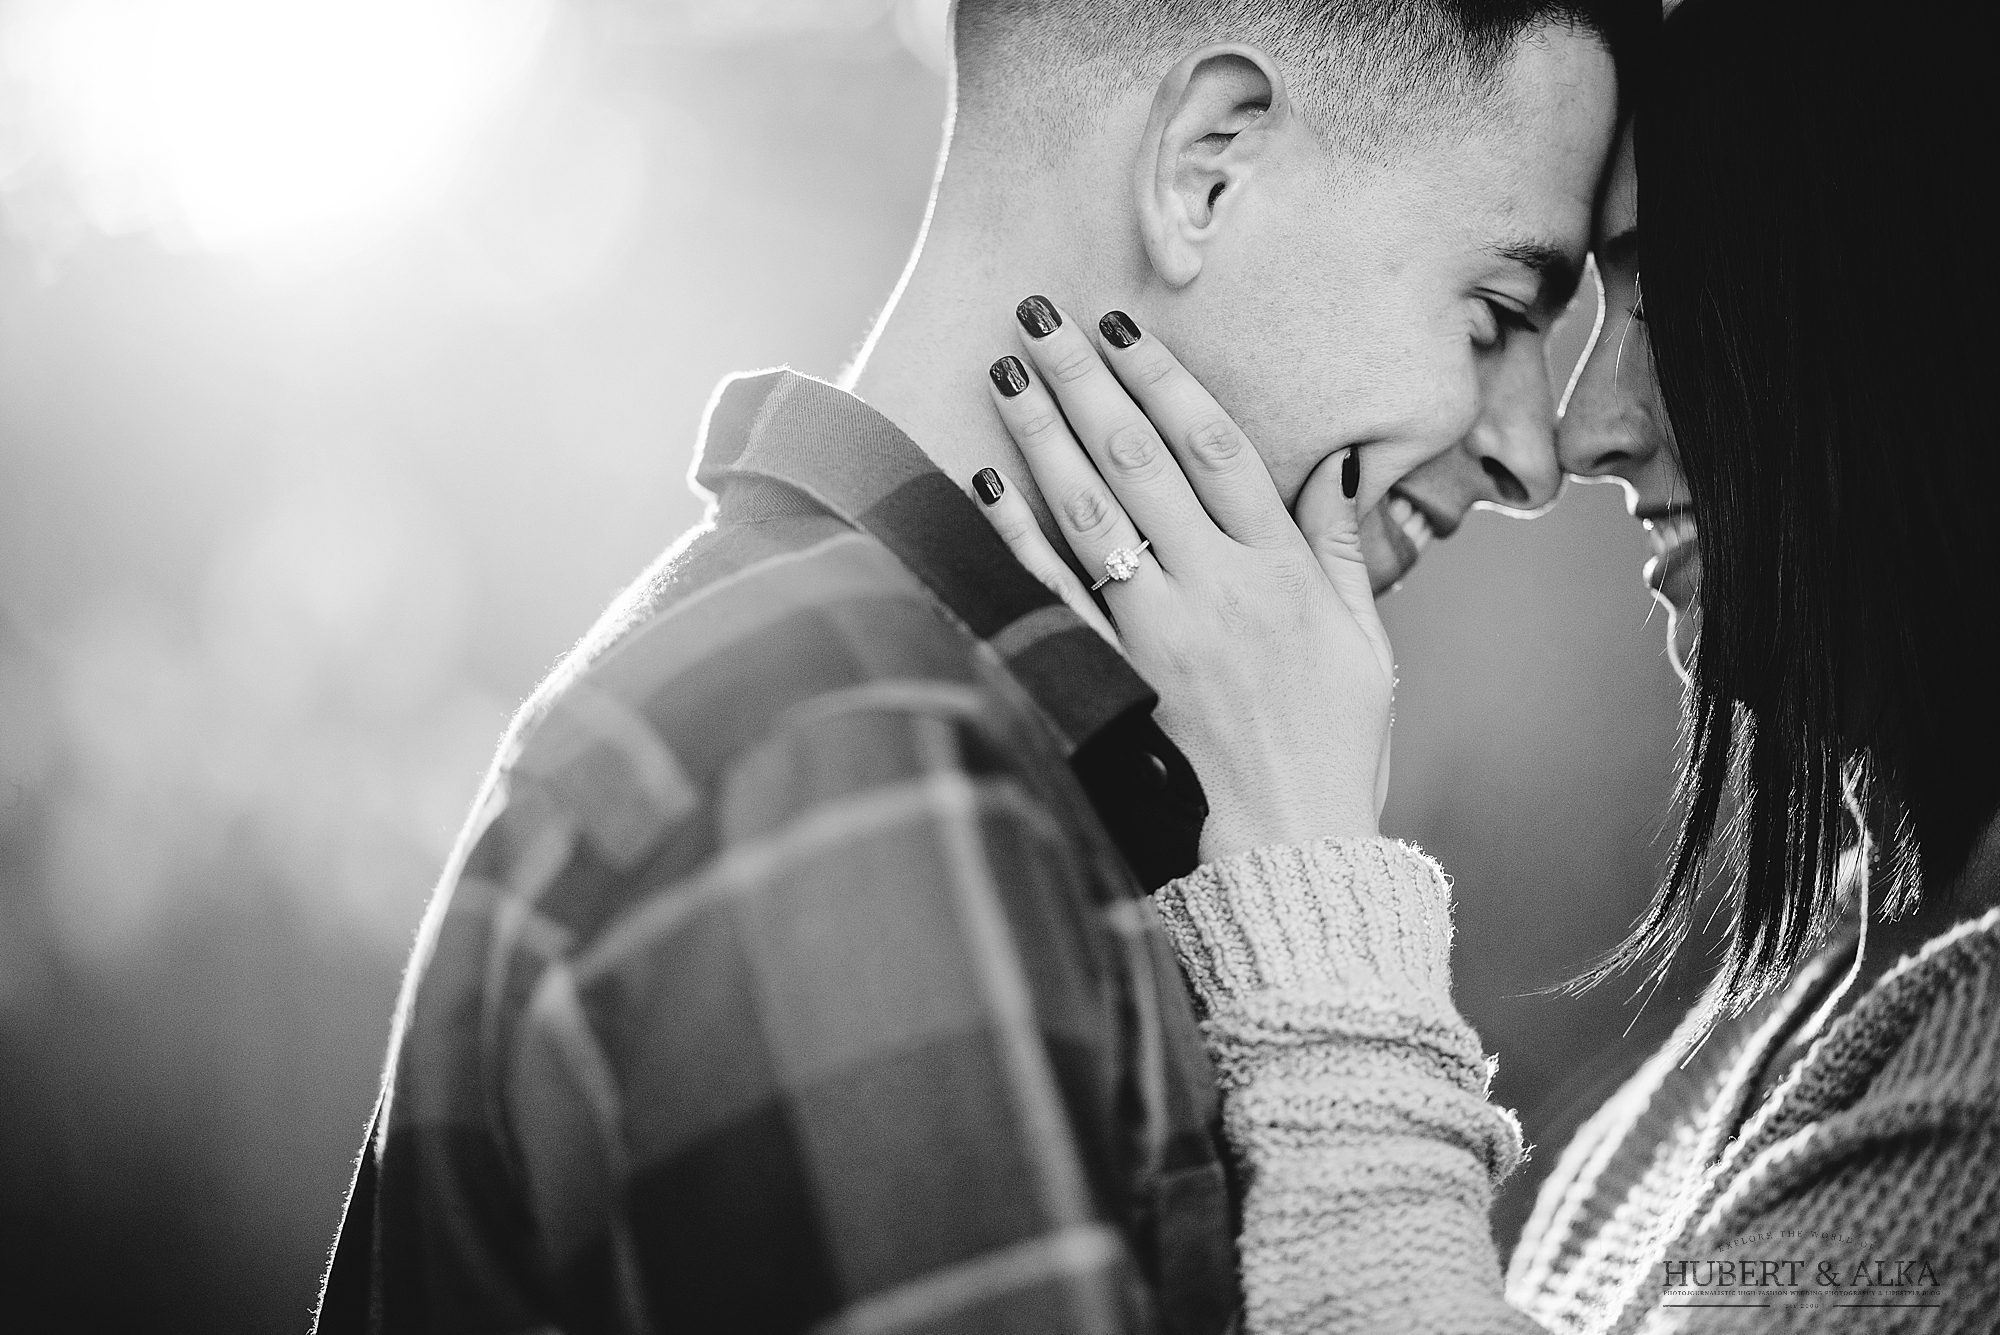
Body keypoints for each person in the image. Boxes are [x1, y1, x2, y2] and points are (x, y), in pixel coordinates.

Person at [309, 3, 1626, 1331]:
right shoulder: (855, 766)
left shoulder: (920, 734)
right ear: (1207, 165)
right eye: (1501, 311)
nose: (1535, 453)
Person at [969, 0, 2000, 1330]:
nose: (1583, 432)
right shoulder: (1853, 947)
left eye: (1677, 299)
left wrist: (1315, 895)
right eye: (1519, 308)